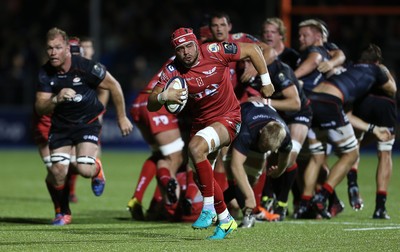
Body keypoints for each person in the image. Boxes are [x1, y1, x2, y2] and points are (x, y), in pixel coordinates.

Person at [147, 27, 274, 240]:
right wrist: (163, 96)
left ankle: (207, 209)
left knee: (196, 149)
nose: (186, 52)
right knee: (199, 173)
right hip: (202, 123)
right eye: (180, 49)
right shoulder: (172, 69)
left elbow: (253, 49)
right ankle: (225, 220)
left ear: (196, 43)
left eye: (189, 46)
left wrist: (266, 81)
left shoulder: (215, 50)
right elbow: (151, 103)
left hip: (229, 117)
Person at [35, 27, 133, 225]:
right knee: (57, 172)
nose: (53, 52)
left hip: (86, 123)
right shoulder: (45, 73)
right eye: (49, 48)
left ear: (66, 49)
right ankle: (62, 212)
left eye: (57, 47)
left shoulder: (85, 66)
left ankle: (97, 168)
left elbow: (114, 86)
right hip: (61, 126)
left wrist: (122, 117)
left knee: (84, 169)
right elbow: (40, 107)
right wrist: (56, 99)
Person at [297, 44, 396, 219]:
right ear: (376, 61)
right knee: (353, 153)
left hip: (312, 100)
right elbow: (392, 89)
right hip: (338, 102)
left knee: (317, 157)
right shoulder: (377, 69)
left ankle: (304, 205)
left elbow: (347, 113)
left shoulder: (347, 69)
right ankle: (323, 196)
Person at [127, 56, 185, 220]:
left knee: (159, 155)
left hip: (141, 102)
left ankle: (137, 198)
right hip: (158, 104)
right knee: (174, 158)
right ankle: (169, 206)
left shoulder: (178, 55)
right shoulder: (197, 57)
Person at [223, 98, 292, 228]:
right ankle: (241, 215)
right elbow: (235, 165)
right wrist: (249, 196)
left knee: (250, 182)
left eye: (267, 150)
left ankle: (218, 210)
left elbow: (284, 159)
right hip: (236, 120)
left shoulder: (285, 137)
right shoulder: (248, 130)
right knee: (235, 179)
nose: (263, 151)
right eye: (263, 147)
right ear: (261, 133)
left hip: (257, 127)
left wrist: (279, 171)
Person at [347, 90, 397, 219]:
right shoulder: (381, 70)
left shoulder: (350, 70)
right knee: (385, 152)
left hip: (361, 101)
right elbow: (392, 87)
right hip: (385, 102)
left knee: (355, 143)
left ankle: (352, 182)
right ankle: (380, 207)